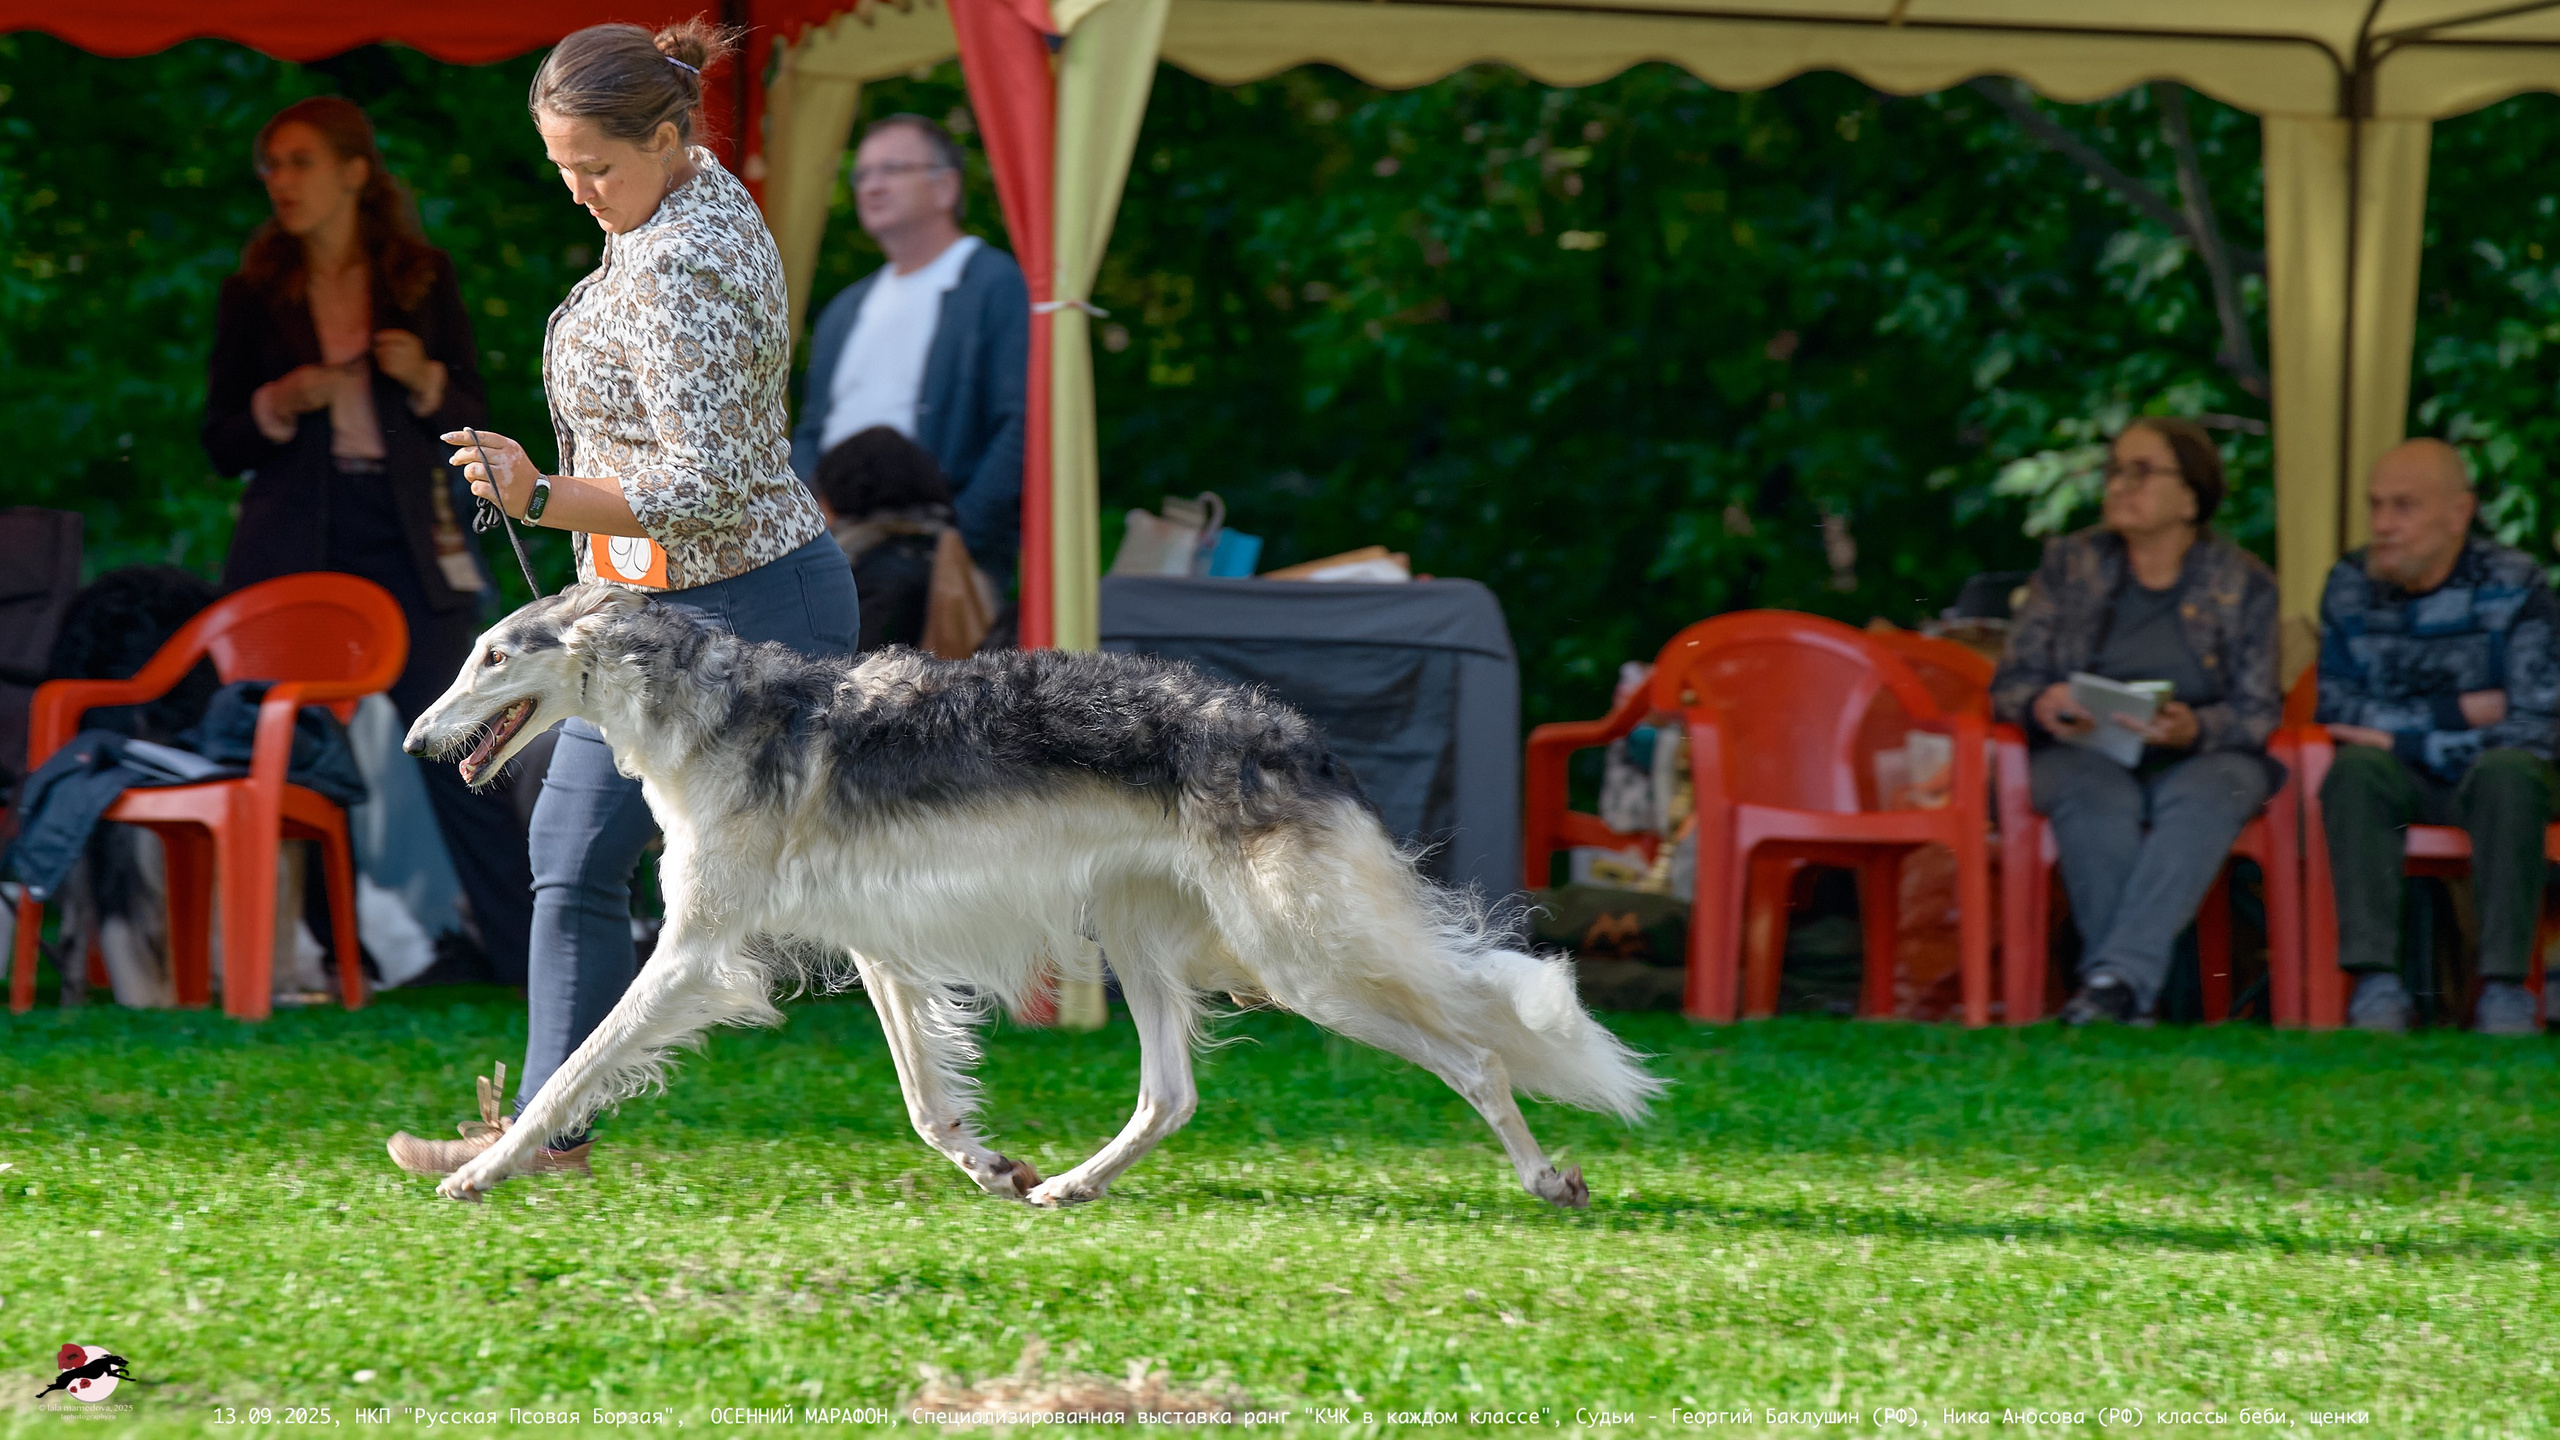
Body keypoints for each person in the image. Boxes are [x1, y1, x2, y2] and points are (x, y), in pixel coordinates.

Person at [385, 19, 853, 1175]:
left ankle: (970, 1080)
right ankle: (547, 1132)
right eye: (562, 169)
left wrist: (540, 494)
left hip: (752, 607)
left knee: (852, 885)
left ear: (670, 135)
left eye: (599, 166)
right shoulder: (679, 206)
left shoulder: (687, 252)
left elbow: (703, 483)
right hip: (649, 611)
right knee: (570, 847)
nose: (583, 191)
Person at [203, 97, 533, 986]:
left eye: (300, 161)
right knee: (298, 748)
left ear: (355, 171)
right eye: (271, 165)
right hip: (291, 546)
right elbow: (220, 438)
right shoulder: (254, 292)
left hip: (405, 539)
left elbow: (472, 416)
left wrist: (423, 378)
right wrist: (277, 404)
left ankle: (524, 955)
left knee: (469, 737)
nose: (281, 181)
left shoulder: (420, 277)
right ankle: (332, 960)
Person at [1991, 418, 2282, 1025]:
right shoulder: (2071, 564)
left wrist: (2193, 728)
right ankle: (2120, 986)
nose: (2121, 485)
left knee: (2214, 790)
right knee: (2095, 793)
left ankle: (2112, 985)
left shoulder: (2245, 581)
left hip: (2200, 756)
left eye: (2141, 472)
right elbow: (2012, 683)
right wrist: (2043, 703)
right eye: (2115, 470)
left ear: (2190, 497)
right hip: (2083, 751)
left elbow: (2258, 712)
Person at [2314, 438, 2560, 1036]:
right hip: (2406, 785)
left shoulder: (2518, 587)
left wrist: (2399, 734)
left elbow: (2537, 725)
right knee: (2354, 771)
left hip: (2497, 784)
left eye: (2403, 507)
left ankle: (2504, 992)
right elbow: (2338, 709)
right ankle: (2375, 987)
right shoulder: (2350, 583)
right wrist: (2456, 714)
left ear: (2458, 514)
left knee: (2510, 774)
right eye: (2375, 507)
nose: (2382, 526)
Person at [791, 114, 1027, 587]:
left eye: (893, 169)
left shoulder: (994, 285)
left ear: (946, 188)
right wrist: (806, 526)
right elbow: (814, 430)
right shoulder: (847, 306)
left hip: (939, 556)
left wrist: (959, 536)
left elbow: (1022, 425)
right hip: (836, 547)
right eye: (862, 174)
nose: (872, 186)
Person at [814, 425, 969, 652]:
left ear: (845, 492)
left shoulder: (876, 576)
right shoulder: (938, 549)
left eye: (821, 496)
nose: (818, 510)